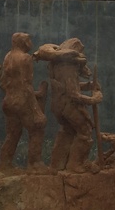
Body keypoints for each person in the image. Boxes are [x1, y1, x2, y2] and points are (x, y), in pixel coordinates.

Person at [35, 38, 103, 173]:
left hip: (58, 106)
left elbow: (69, 87)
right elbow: (73, 94)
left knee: (67, 131)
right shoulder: (68, 67)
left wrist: (89, 85)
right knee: (85, 131)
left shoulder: (56, 65)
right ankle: (76, 164)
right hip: (69, 106)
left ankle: (57, 164)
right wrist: (93, 99)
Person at [0, 32, 49, 173]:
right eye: (28, 40)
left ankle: (4, 164)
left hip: (8, 101)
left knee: (13, 133)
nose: (30, 43)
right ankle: (35, 164)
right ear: (22, 42)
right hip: (22, 101)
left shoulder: (8, 57)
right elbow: (26, 86)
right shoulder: (25, 58)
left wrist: (13, 93)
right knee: (37, 127)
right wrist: (36, 110)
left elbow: (3, 83)